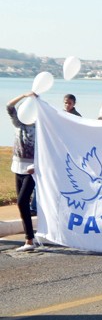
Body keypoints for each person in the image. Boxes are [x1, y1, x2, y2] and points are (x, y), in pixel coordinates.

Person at [7, 92, 38, 251]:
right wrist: (25, 96)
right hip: (17, 167)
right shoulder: (18, 123)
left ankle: (30, 240)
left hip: (31, 169)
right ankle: (30, 240)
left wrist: (37, 101)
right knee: (23, 204)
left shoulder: (39, 126)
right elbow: (9, 106)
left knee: (21, 201)